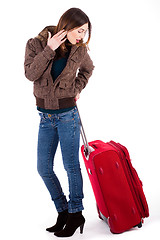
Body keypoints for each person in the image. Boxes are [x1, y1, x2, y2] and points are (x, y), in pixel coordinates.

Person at [24, 7, 94, 238]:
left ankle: (76, 213)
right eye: (78, 30)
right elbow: (30, 74)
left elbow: (88, 69)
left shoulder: (79, 50)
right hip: (45, 116)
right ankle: (63, 211)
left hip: (68, 115)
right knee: (43, 168)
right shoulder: (36, 44)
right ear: (66, 26)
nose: (81, 36)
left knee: (71, 166)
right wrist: (49, 49)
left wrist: (77, 88)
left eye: (84, 32)